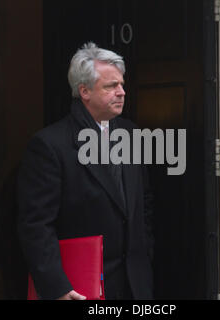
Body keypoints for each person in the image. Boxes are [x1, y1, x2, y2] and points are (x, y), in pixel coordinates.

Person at [17, 42, 154, 300]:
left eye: (122, 84)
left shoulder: (132, 134)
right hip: (80, 288)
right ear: (84, 91)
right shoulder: (49, 145)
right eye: (111, 86)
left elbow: (143, 204)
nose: (121, 92)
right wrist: (57, 287)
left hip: (135, 286)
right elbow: (36, 225)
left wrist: (145, 255)